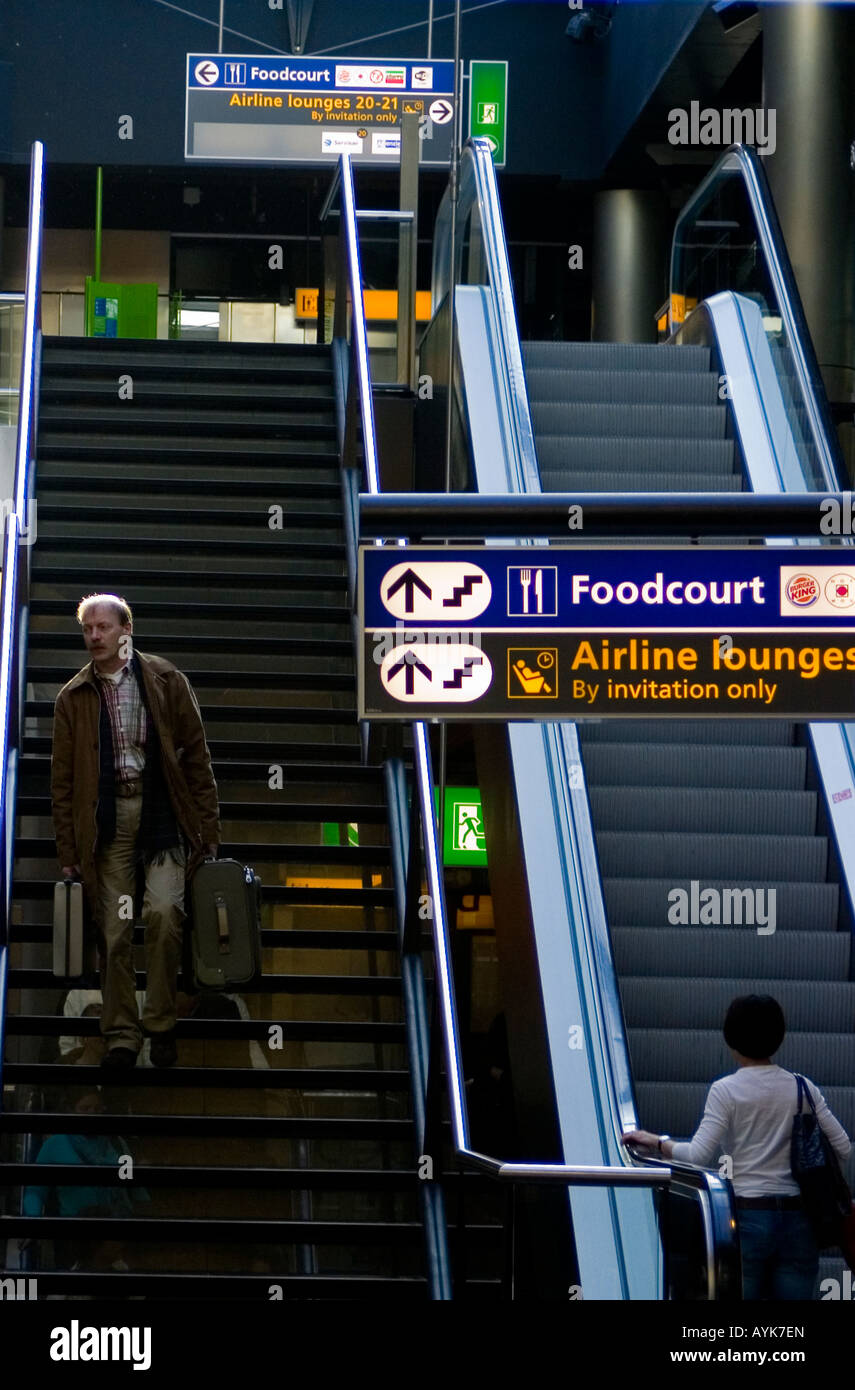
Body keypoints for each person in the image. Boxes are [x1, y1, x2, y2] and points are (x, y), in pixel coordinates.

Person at [51, 594, 220, 1070]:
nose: (95, 637)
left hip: (162, 816)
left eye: (103, 627)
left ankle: (160, 1023)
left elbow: (197, 756)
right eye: (88, 630)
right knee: (115, 932)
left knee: (166, 915)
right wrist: (68, 846)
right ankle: (122, 1034)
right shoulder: (73, 697)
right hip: (107, 826)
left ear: (126, 629)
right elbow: (61, 779)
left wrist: (208, 827)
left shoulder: (166, 680)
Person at [622, 993, 851, 1300]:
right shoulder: (802, 1087)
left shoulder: (726, 1091)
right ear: (779, 1037)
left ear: (730, 1037)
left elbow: (698, 1155)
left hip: (747, 1217)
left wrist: (659, 1143)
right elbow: (843, 1148)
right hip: (799, 1220)